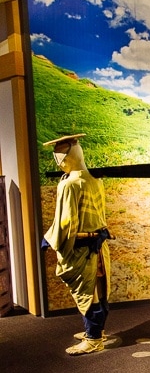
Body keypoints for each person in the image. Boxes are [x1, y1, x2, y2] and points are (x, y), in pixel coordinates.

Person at [42, 134, 112, 356]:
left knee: (88, 292)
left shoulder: (70, 184)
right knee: (97, 289)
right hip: (98, 246)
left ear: (64, 159)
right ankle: (96, 332)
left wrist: (49, 239)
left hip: (82, 248)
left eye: (58, 156)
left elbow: (65, 223)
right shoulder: (94, 179)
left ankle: (94, 338)